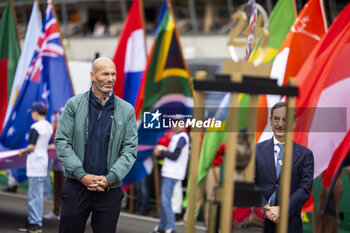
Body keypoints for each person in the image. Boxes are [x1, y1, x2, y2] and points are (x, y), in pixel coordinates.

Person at [55, 57, 137, 233]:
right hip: (77, 186)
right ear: (93, 75)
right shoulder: (74, 105)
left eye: (113, 74)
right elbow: (62, 142)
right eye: (105, 74)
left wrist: (110, 178)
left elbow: (130, 150)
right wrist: (81, 175)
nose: (110, 78)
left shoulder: (127, 110)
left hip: (109, 190)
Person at [255, 102, 314, 233]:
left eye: (285, 119)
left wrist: (282, 209)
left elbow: (305, 188)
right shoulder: (256, 150)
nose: (280, 124)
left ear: (294, 123)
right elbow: (251, 182)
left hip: (290, 225)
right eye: (276, 119)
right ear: (270, 121)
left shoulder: (305, 155)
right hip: (260, 223)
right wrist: (266, 208)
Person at [18, 102, 55, 233]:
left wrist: (23, 151)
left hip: (34, 163)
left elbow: (31, 146)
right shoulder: (48, 126)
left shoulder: (35, 126)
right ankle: (34, 221)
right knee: (37, 195)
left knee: (34, 195)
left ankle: (35, 223)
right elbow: (50, 145)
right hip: (43, 162)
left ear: (35, 112)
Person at [152, 123, 190, 233]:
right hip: (170, 172)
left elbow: (175, 155)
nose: (173, 125)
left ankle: (171, 227)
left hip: (172, 173)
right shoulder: (179, 136)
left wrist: (161, 151)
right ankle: (162, 227)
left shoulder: (182, 137)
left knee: (165, 201)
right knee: (165, 200)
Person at [44, 110, 64, 220]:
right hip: (57, 163)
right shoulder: (54, 126)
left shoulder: (71, 126)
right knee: (57, 188)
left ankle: (63, 213)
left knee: (65, 190)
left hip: (67, 166)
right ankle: (56, 211)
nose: (58, 116)